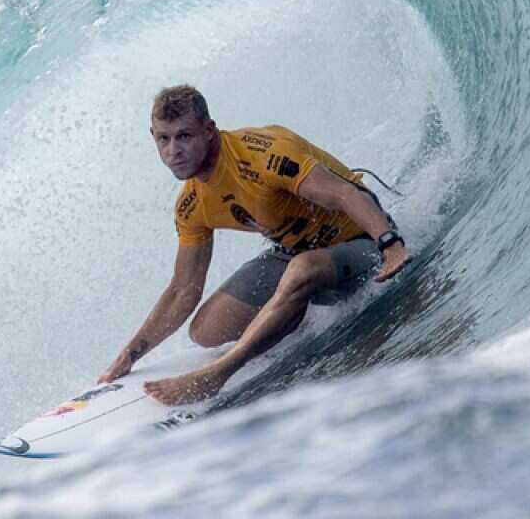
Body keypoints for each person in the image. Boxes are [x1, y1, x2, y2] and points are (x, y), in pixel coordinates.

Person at [98, 85, 412, 405]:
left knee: (302, 268)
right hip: (297, 253)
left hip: (361, 243)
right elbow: (183, 290)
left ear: (209, 131)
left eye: (184, 136)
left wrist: (392, 246)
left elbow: (347, 195)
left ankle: (220, 372)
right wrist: (130, 354)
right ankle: (286, 313)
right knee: (206, 331)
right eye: (163, 138)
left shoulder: (263, 154)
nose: (172, 151)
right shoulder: (191, 205)